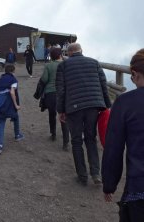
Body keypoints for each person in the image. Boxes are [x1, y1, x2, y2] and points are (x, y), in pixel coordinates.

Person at [56, 43, 111, 186]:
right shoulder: (94, 63)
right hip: (93, 106)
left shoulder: (63, 66)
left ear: (68, 53)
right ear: (81, 51)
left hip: (73, 108)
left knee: (76, 141)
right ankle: (95, 173)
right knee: (91, 139)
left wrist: (61, 110)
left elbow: (61, 90)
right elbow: (103, 85)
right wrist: (107, 105)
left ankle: (82, 175)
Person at [102, 49, 144, 222]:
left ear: (134, 73)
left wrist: (109, 184)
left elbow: (114, 147)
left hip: (139, 190)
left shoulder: (125, 102)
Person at [40, 47, 69, 150]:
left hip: (50, 93)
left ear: (51, 56)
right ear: (60, 55)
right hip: (63, 93)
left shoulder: (48, 65)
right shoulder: (66, 65)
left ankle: (53, 134)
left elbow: (44, 79)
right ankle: (66, 142)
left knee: (52, 114)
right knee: (64, 116)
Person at [0, 64, 24, 154]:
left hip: (0, 103)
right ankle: (17, 135)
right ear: (13, 71)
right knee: (16, 117)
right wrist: (16, 105)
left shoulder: (1, 79)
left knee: (1, 122)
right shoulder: (13, 79)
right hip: (8, 103)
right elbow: (12, 92)